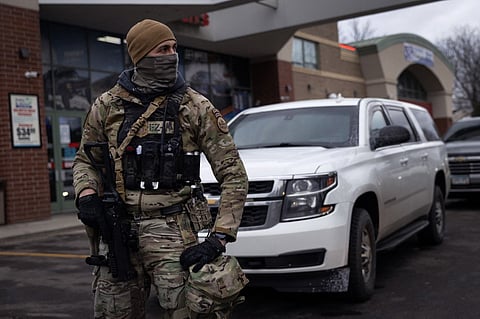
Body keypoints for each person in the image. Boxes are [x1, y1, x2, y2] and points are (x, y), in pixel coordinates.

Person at [73, 19, 248, 319]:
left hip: (174, 232)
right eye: (162, 49)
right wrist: (87, 194)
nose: (171, 55)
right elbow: (86, 160)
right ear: (140, 55)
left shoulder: (195, 107)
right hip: (117, 230)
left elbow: (234, 174)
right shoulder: (106, 106)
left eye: (173, 48)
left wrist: (219, 238)